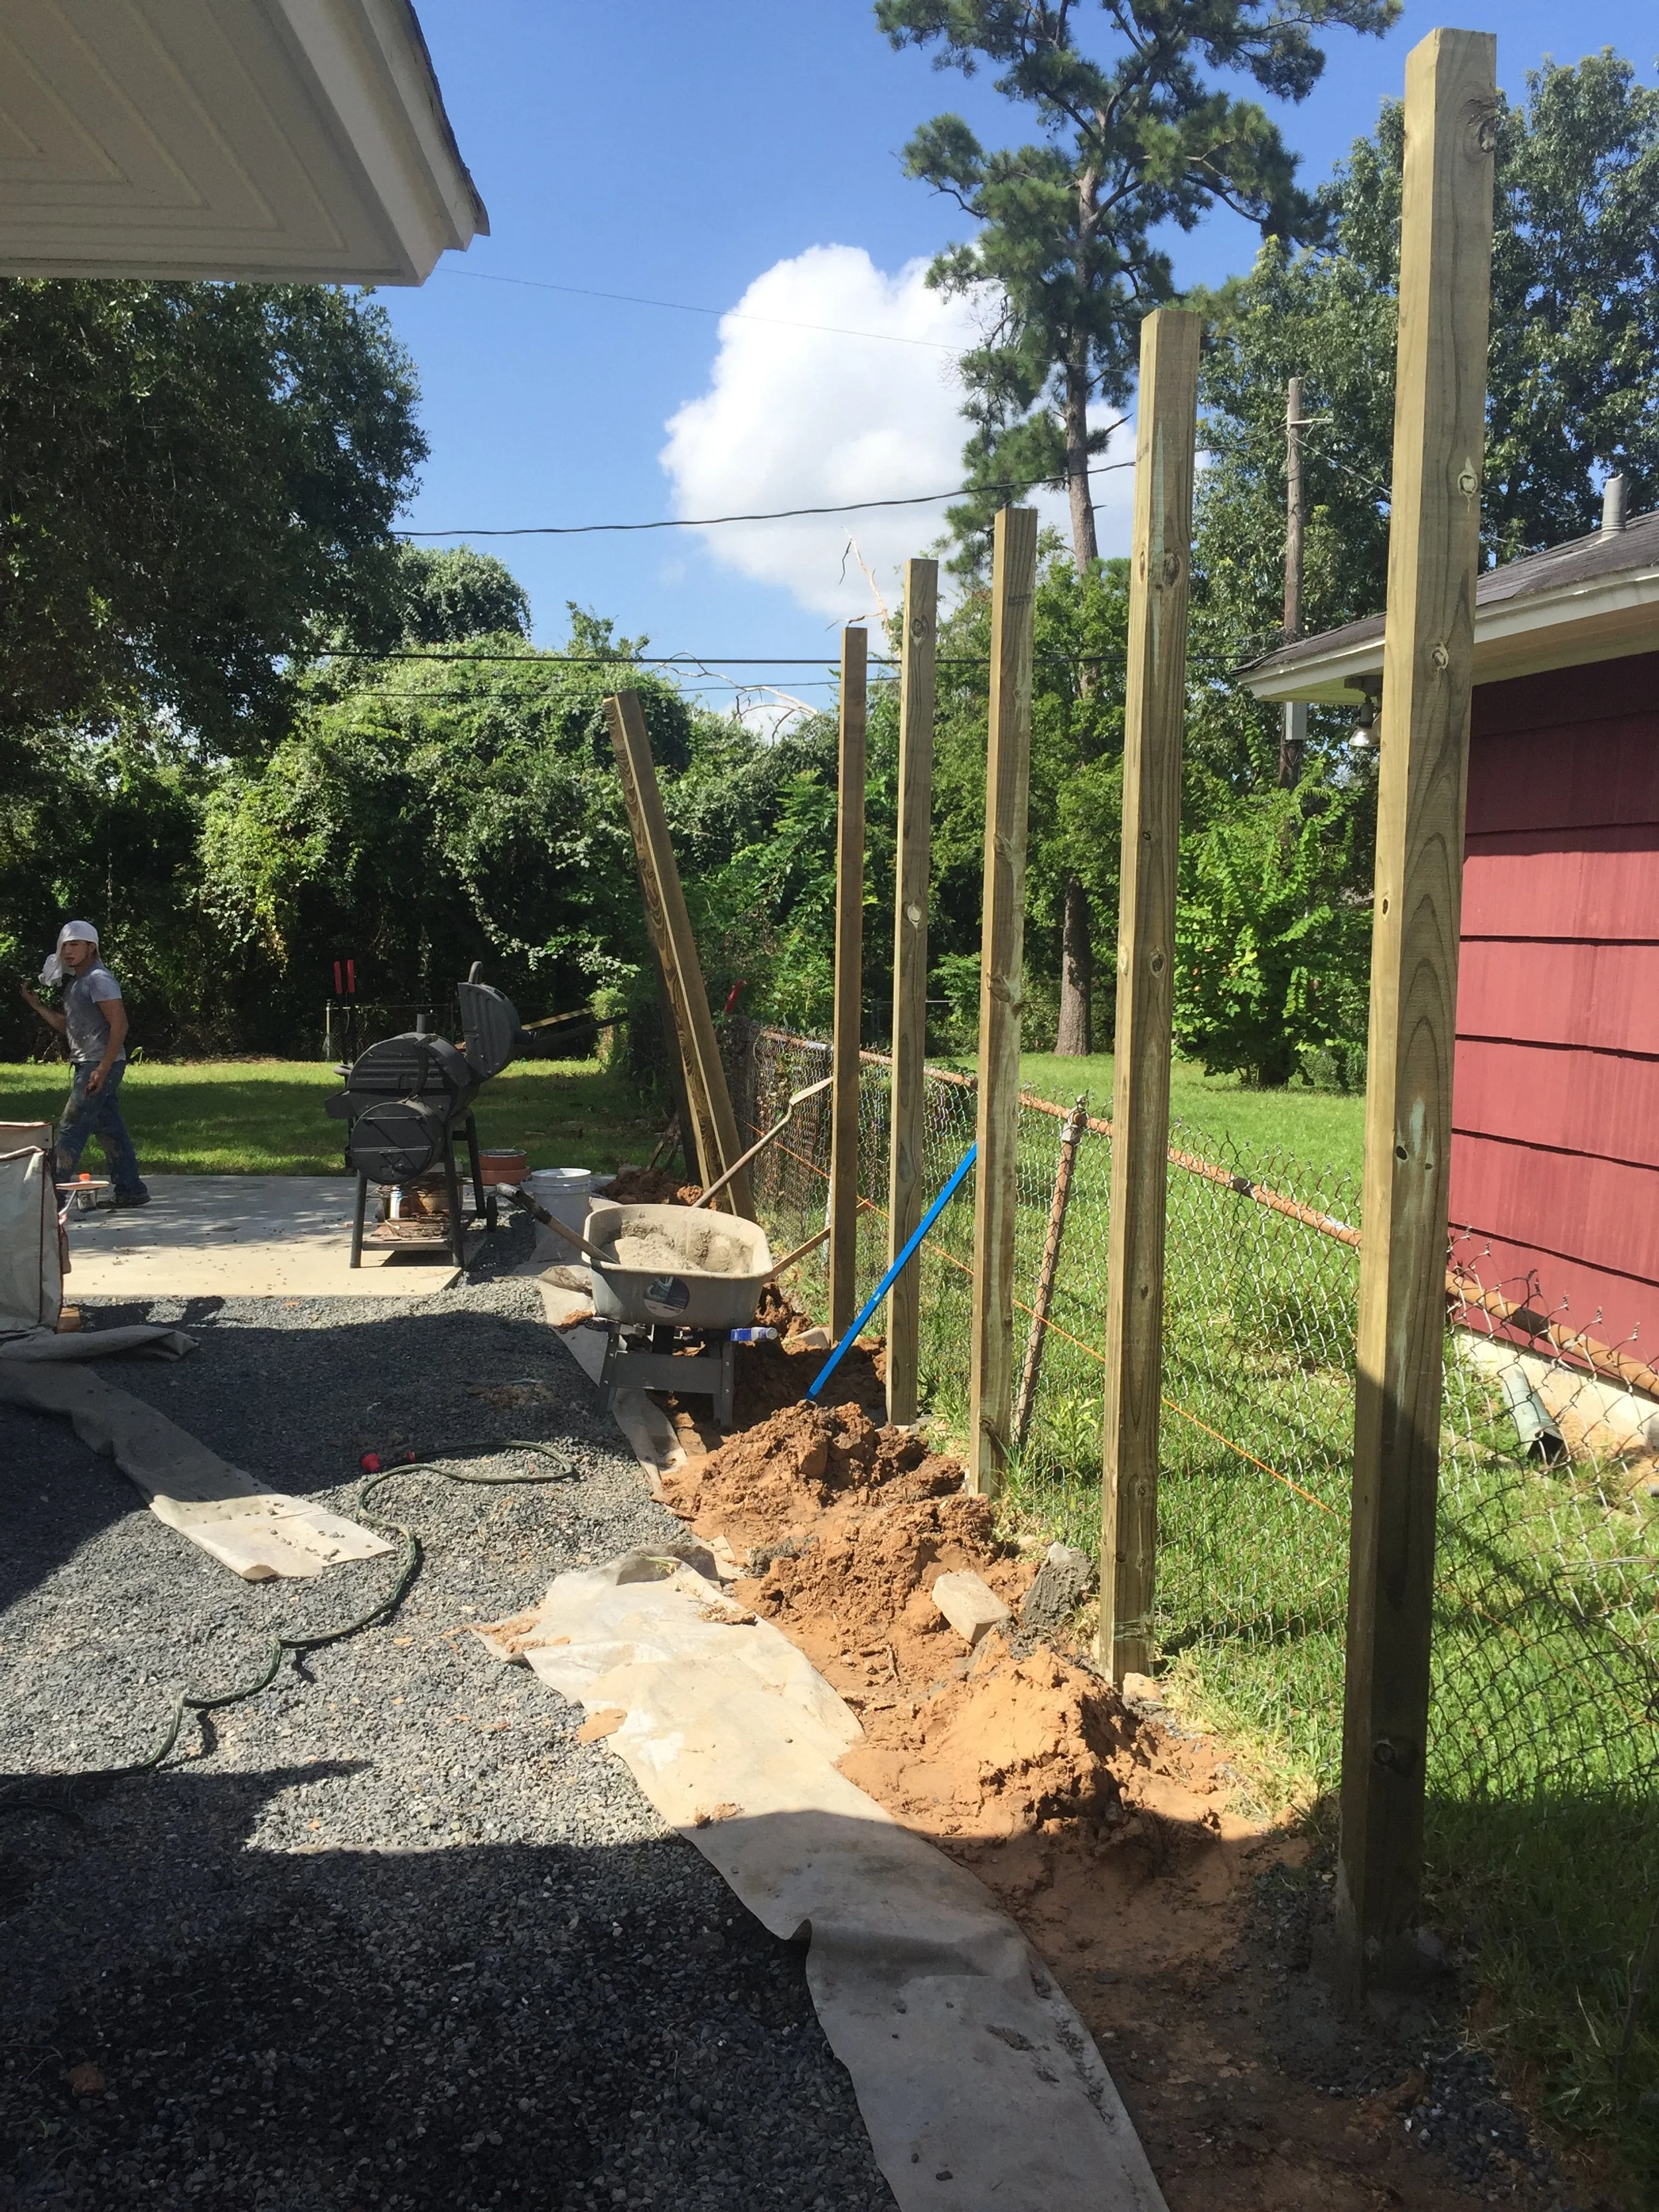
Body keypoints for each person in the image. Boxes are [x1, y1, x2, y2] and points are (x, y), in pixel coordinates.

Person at [20, 920, 150, 1207]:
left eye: (75, 944)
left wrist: (102, 1068)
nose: (68, 951)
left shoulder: (98, 979)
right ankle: (131, 1190)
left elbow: (120, 1024)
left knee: (72, 1125)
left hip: (99, 1064)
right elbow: (68, 1025)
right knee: (109, 1128)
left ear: (91, 947)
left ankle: (51, 1196)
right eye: (65, 945)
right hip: (87, 1062)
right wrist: (36, 1005)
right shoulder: (77, 983)